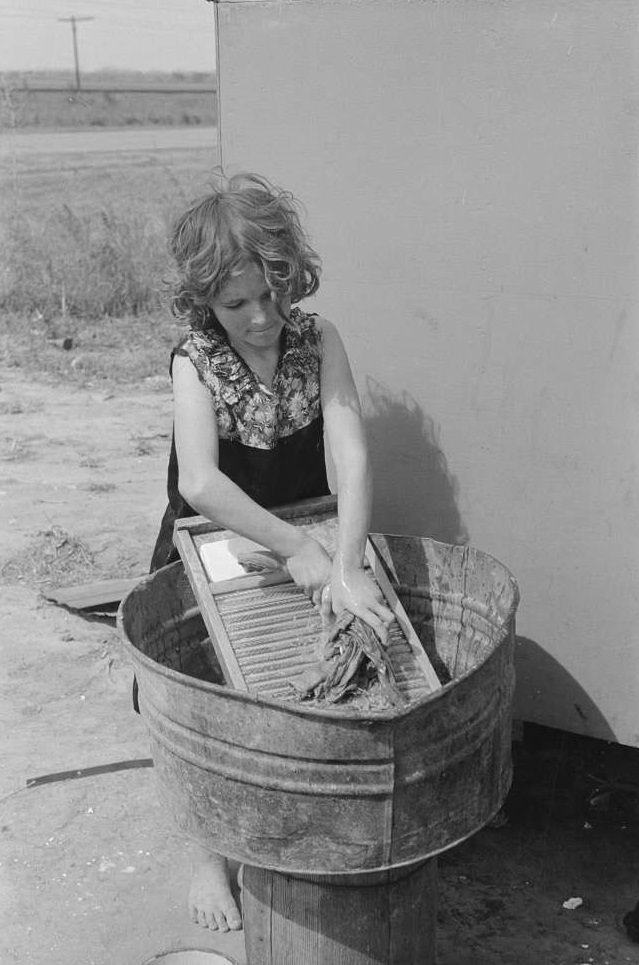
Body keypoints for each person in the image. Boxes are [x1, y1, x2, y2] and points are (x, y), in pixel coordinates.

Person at [146, 172, 393, 932]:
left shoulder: (318, 339)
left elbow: (350, 451)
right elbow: (200, 482)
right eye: (236, 304)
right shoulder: (196, 360)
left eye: (270, 295)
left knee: (301, 681)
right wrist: (290, 549)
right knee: (209, 696)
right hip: (219, 536)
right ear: (204, 302)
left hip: (308, 528)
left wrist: (344, 561)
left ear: (292, 277)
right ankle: (211, 854)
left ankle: (295, 820)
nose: (259, 318)